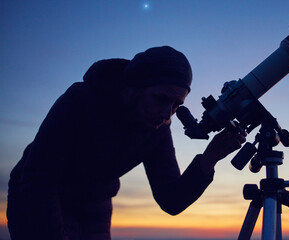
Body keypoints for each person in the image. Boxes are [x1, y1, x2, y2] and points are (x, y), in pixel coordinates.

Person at [7, 46, 246, 240]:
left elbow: (171, 199)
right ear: (133, 89)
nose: (167, 114)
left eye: (176, 105)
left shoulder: (158, 129)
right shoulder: (80, 101)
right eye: (160, 99)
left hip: (95, 206)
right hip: (37, 198)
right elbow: (38, 179)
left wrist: (210, 157)